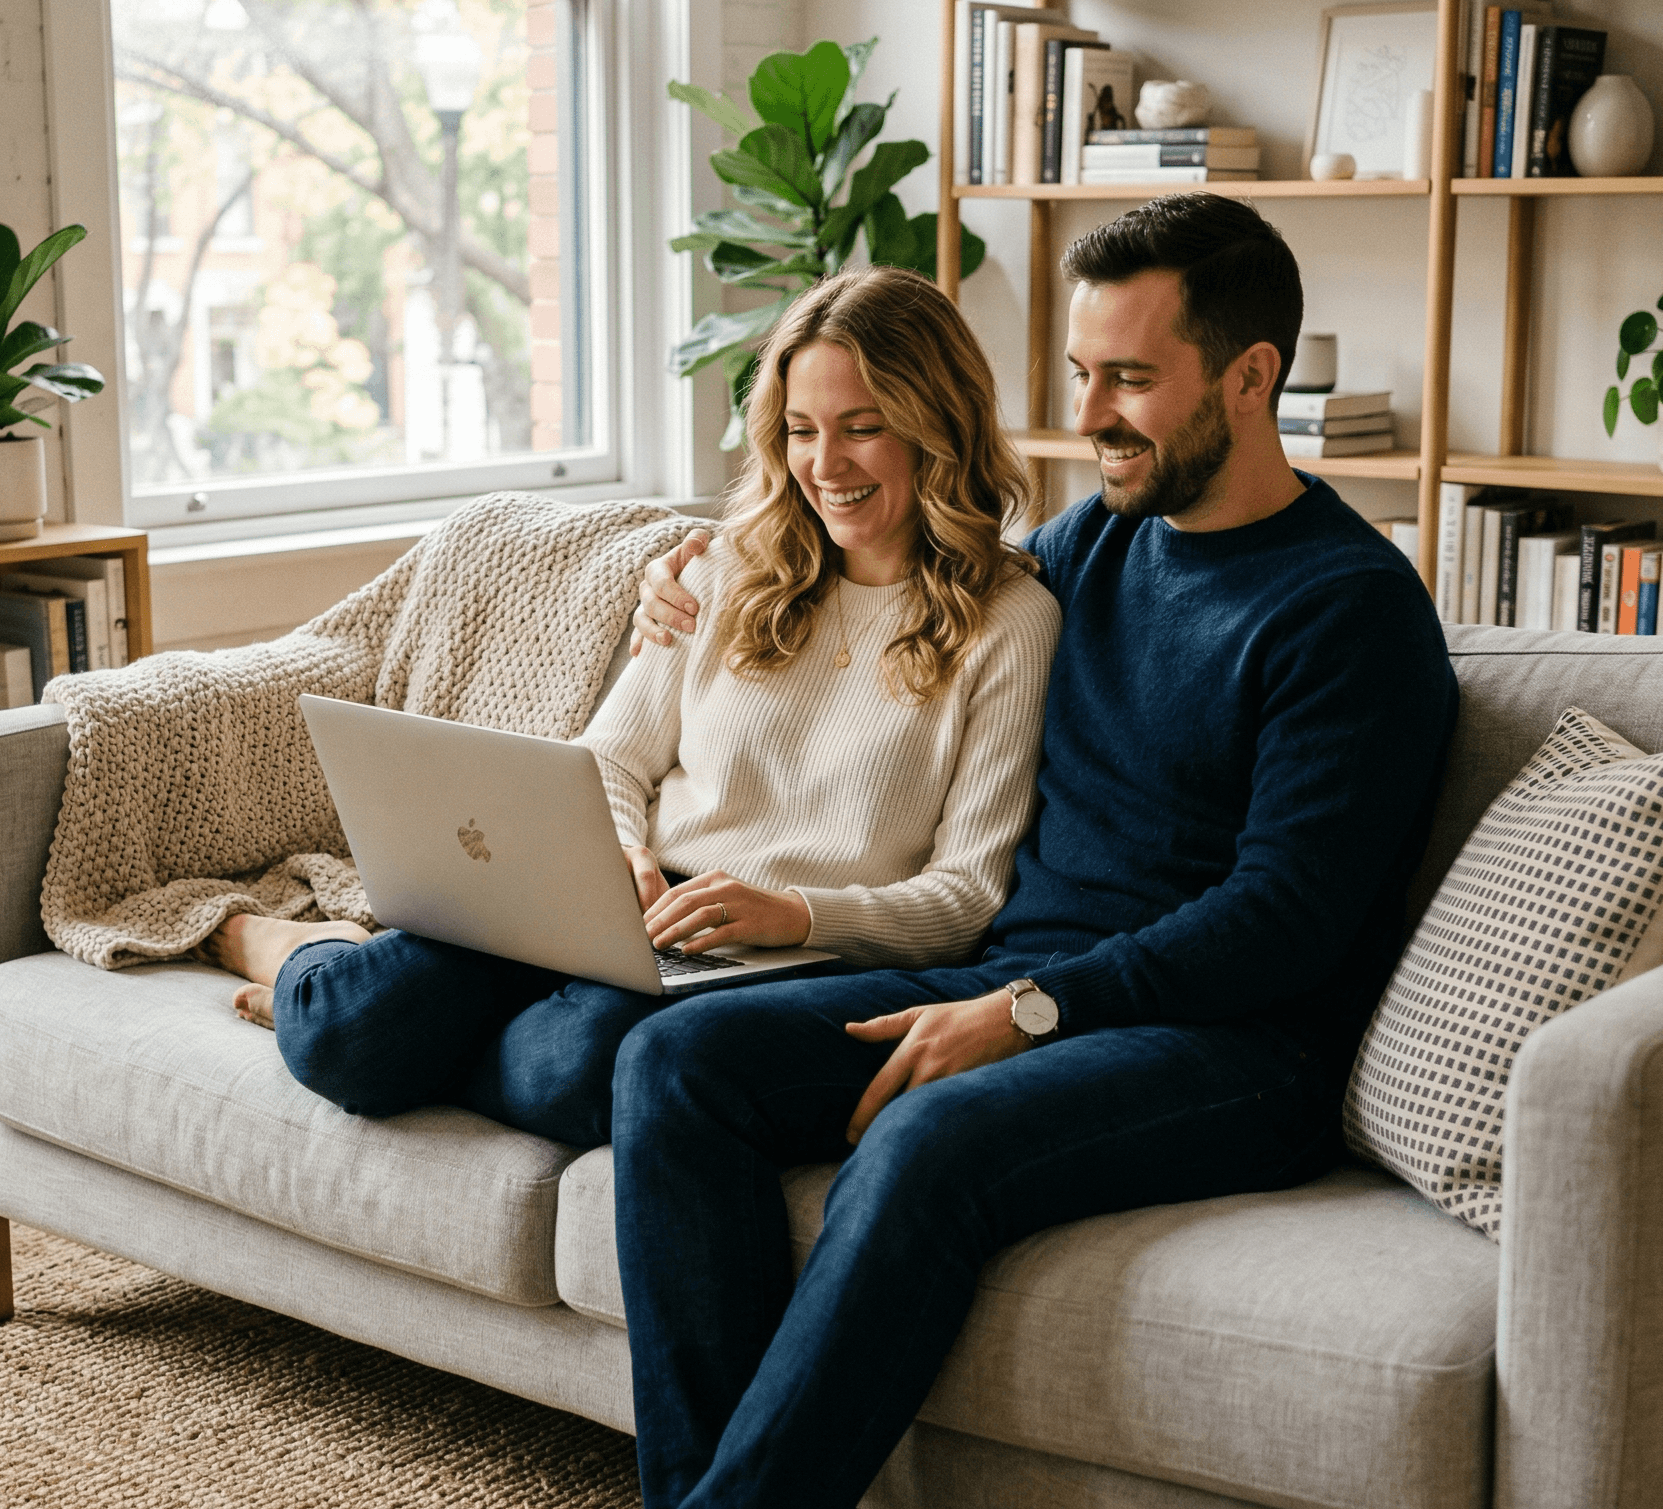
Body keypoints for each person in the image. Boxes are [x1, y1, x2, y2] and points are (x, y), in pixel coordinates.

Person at [614, 193, 1462, 1508]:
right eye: (1081, 373)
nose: (1091, 412)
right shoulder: (1091, 546)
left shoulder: (1350, 613)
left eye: (1130, 377)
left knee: (925, 1143)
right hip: (1022, 976)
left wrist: (1028, 1007)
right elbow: (898, 549)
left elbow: (1283, 920)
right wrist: (694, 562)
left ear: (1251, 379)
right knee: (676, 1061)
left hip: (1234, 1047)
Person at [204, 265, 1062, 1152]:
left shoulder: (1010, 622)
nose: (824, 464)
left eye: (863, 428)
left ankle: (379, 1025)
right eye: (801, 430)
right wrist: (615, 850)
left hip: (773, 958)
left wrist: (796, 913)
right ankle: (304, 951)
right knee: (351, 1023)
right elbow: (608, 758)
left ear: (939, 428)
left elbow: (967, 898)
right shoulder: (726, 568)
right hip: (615, 910)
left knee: (575, 1069)